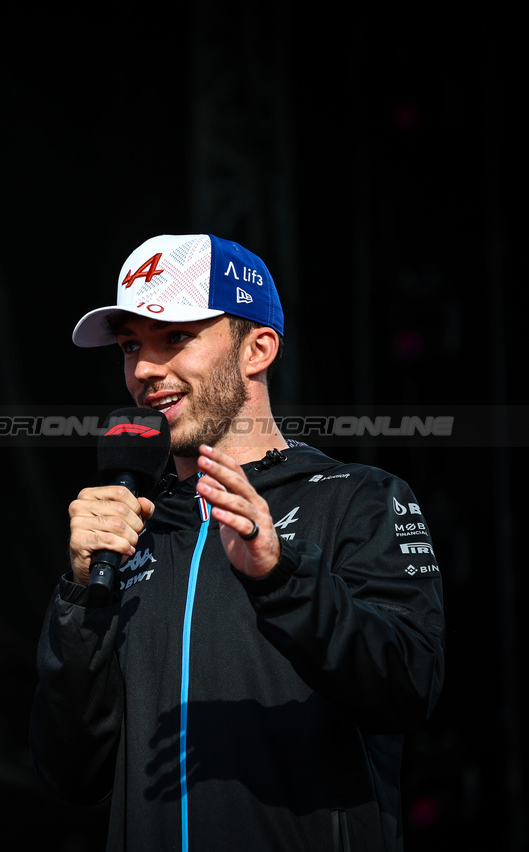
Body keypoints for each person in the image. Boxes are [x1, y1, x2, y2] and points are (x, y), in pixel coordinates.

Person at [29, 234, 445, 850]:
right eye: (130, 347)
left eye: (175, 338)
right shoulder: (129, 536)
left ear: (257, 348)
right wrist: (82, 603)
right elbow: (71, 774)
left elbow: (410, 687)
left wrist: (281, 578)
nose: (145, 370)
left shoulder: (359, 498)